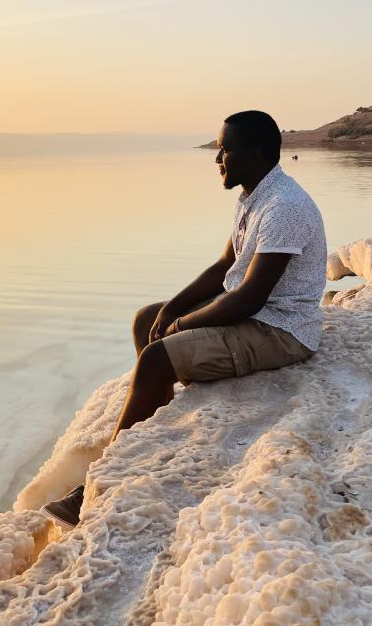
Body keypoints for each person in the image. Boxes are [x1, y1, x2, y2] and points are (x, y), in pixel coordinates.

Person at [41, 110, 327, 528]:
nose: (218, 160)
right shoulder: (254, 196)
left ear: (256, 153)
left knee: (157, 356)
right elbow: (226, 266)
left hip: (281, 330)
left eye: (225, 151)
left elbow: (249, 297)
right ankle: (161, 403)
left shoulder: (284, 207)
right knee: (147, 320)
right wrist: (173, 308)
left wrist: (181, 329)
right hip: (256, 316)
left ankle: (98, 484)